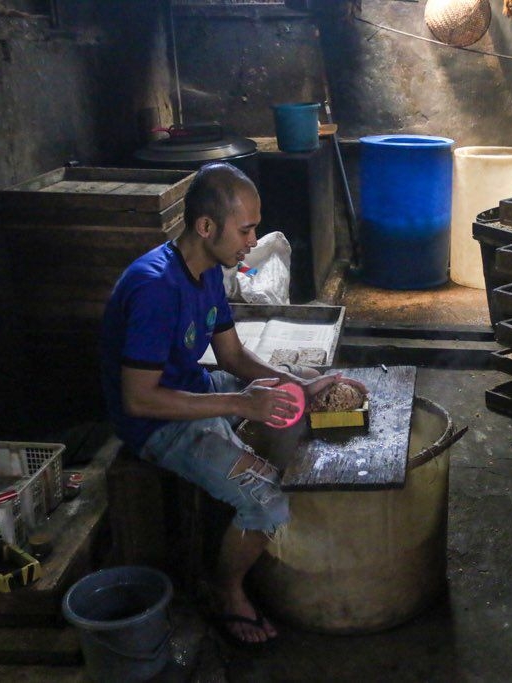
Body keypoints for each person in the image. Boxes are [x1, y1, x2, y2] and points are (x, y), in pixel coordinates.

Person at [100, 162, 365, 646]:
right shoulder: (155, 287)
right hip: (157, 424)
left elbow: (233, 356)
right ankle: (227, 591)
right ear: (206, 227)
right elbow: (138, 399)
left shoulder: (208, 274)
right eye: (245, 230)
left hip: (196, 387)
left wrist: (299, 384)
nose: (252, 241)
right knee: (267, 498)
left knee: (302, 384)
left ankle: (264, 509)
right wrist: (240, 404)